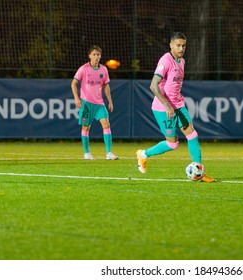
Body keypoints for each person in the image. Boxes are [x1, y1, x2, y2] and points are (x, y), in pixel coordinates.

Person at [136, 32, 215, 182]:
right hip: (163, 108)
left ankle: (199, 171)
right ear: (171, 45)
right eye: (178, 45)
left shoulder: (182, 61)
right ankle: (143, 155)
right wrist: (167, 106)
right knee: (172, 144)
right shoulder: (165, 60)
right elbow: (153, 85)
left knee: (192, 135)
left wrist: (174, 105)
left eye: (183, 45)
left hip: (178, 105)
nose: (181, 48)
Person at [71, 45, 118, 160]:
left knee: (106, 124)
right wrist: (77, 98)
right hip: (86, 104)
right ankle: (86, 153)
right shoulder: (84, 69)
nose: (96, 57)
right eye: (94, 54)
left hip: (99, 104)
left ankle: (109, 153)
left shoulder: (104, 69)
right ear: (89, 56)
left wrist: (110, 101)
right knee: (85, 128)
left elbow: (106, 85)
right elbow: (73, 83)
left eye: (98, 55)